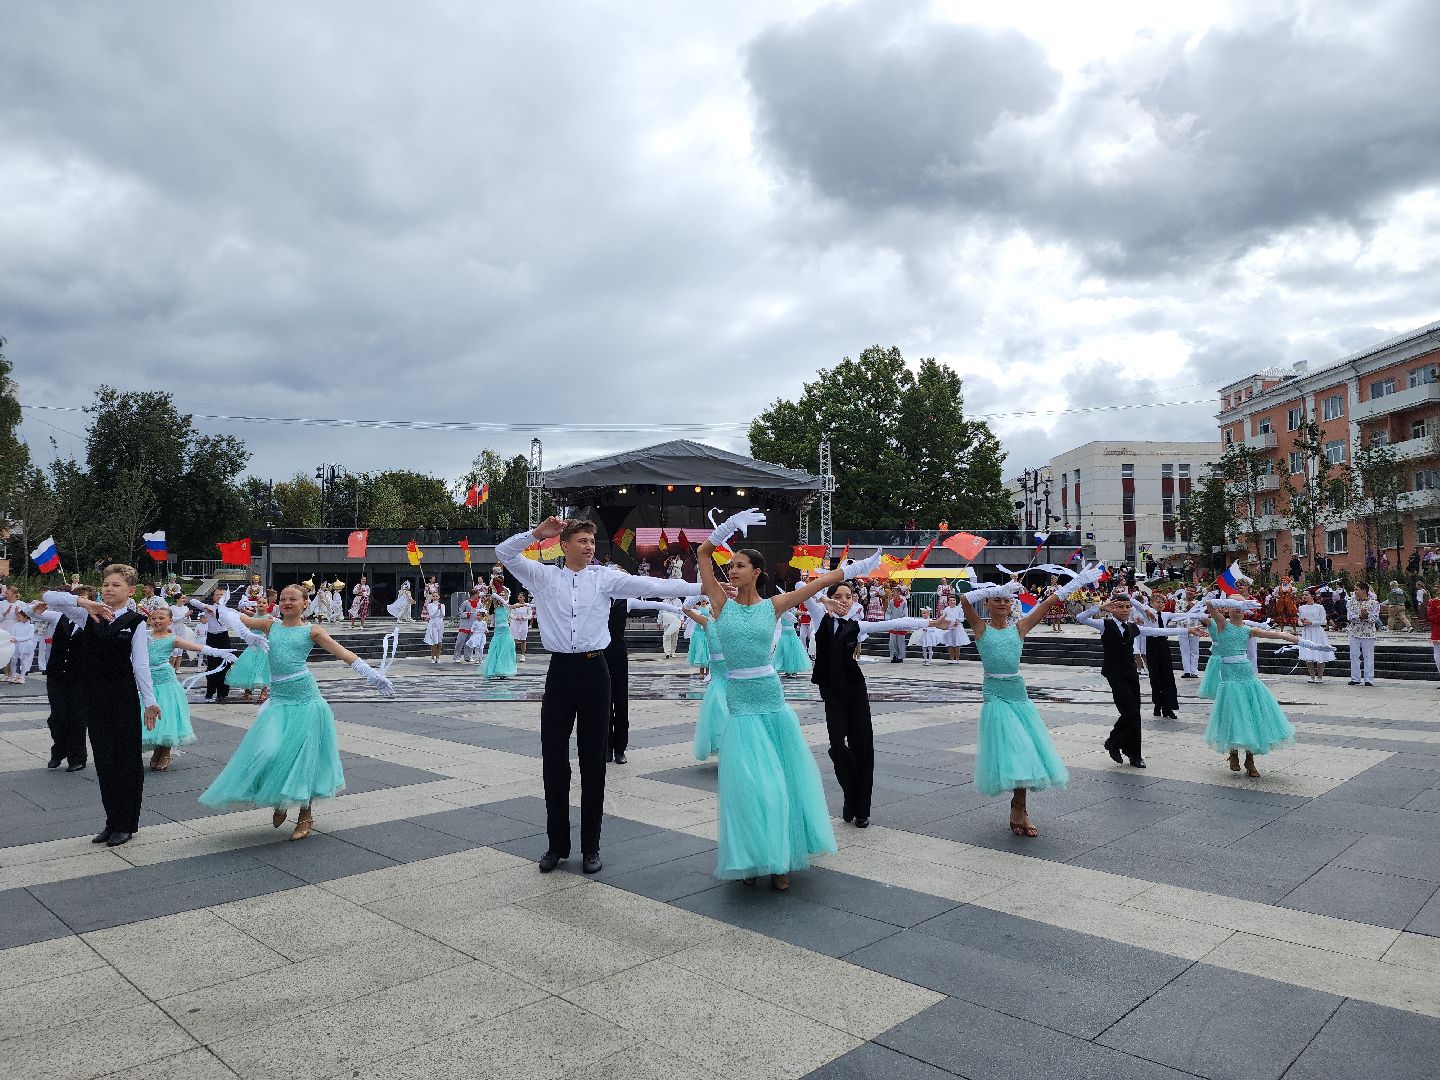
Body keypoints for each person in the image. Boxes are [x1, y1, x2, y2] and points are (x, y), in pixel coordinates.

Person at [495, 517, 697, 875]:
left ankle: (591, 846)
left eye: (592, 541)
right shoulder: (544, 577)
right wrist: (536, 535)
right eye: (583, 540)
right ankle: (556, 845)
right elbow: (504, 553)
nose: (590, 547)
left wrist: (704, 588)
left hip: (595, 671)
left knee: (593, 762)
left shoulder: (604, 577)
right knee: (554, 760)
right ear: (565, 543)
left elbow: (651, 585)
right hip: (560, 672)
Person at [695, 512, 857, 887]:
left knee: (780, 782)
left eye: (740, 565)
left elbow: (816, 585)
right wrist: (726, 528)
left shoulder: (774, 605)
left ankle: (780, 857)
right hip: (740, 706)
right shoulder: (720, 603)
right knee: (748, 786)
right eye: (731, 565)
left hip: (770, 701)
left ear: (757, 572)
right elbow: (704, 554)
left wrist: (849, 570)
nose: (732, 570)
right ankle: (753, 856)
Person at [198, 585, 394, 839]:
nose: (287, 602)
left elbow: (343, 653)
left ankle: (305, 814)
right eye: (283, 599)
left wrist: (373, 676)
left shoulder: (312, 631)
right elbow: (240, 619)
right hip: (278, 701)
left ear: (305, 603)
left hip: (305, 700)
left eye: (293, 599)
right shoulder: (270, 625)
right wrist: (217, 608)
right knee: (268, 751)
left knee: (303, 760)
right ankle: (280, 799)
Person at [954, 565, 1103, 836]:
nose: (1001, 603)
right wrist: (994, 588)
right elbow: (964, 600)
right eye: (996, 599)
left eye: (1006, 599)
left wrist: (1076, 582)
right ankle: (1018, 809)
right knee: (1014, 749)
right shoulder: (980, 628)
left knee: (1024, 754)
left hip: (1018, 694)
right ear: (987, 603)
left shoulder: (1019, 628)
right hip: (995, 694)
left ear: (1012, 604)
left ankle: (1019, 808)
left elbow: (1047, 604)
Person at [806, 580, 947, 828]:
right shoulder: (820, 616)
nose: (843, 600)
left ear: (854, 601)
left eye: (848, 596)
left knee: (863, 748)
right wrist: (824, 600)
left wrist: (931, 623)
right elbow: (800, 586)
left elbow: (895, 623)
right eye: (838, 596)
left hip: (855, 689)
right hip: (832, 693)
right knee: (837, 747)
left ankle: (861, 810)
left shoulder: (858, 625)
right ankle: (851, 795)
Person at [42, 566, 160, 848]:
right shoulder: (88, 615)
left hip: (122, 697)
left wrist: (150, 702)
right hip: (93, 697)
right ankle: (111, 821)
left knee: (126, 761)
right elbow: (48, 598)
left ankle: (126, 823)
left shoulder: (136, 622)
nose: (108, 589)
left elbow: (141, 665)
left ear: (130, 590)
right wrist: (83, 601)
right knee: (105, 760)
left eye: (116, 585)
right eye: (106, 584)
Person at [1075, 593, 1191, 766]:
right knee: (1129, 712)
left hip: (1131, 673)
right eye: (1120, 606)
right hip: (1115, 674)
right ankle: (1113, 742)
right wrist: (1100, 607)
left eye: (1127, 606)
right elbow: (1080, 618)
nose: (1124, 610)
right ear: (1113, 608)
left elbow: (1158, 631)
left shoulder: (1133, 627)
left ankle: (1134, 754)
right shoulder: (1104, 624)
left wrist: (1187, 630)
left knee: (1134, 713)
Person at [1201, 598, 1302, 777]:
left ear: (1246, 611)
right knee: (1233, 714)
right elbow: (1210, 606)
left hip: (1247, 676)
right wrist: (1220, 602)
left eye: (1241, 607)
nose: (1238, 610)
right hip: (1230, 678)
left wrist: (1292, 638)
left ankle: (1250, 759)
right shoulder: (1222, 624)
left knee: (1250, 714)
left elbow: (1274, 635)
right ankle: (1233, 753)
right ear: (1229, 609)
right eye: (1234, 606)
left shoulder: (1248, 630)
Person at [141, 606, 234, 771]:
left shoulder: (172, 638)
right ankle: (157, 749)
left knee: (167, 716)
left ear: (170, 620)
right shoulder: (145, 636)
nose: (157, 621)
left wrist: (218, 652)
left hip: (166, 682)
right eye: (154, 618)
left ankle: (166, 752)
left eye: (161, 618)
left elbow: (196, 647)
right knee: (149, 716)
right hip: (148, 683)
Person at [33, 587, 92, 771]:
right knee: (56, 717)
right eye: (77, 598)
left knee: (76, 716)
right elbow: (31, 610)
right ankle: (59, 750)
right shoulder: (59, 617)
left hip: (79, 676)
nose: (79, 601)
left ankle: (78, 758)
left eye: (84, 598)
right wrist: (39, 607)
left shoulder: (90, 619)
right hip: (57, 673)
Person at [1297, 589, 1335, 683]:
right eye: (1303, 595)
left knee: (1320, 654)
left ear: (1312, 596)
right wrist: (1303, 623)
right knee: (1308, 654)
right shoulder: (1301, 608)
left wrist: (1311, 622)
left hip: (1317, 632)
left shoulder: (1319, 607)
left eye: (1306, 595)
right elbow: (1298, 621)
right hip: (1307, 632)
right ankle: (1312, 676)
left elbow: (1323, 621)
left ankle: (1320, 677)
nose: (1304, 596)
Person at [1347, 584, 1381, 685]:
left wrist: (1366, 616)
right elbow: (1349, 616)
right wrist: (1359, 616)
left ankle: (1369, 679)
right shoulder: (1350, 603)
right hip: (1354, 632)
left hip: (1368, 633)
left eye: (1357, 589)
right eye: (1355, 589)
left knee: (1368, 656)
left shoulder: (1374, 603)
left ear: (1364, 590)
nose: (1355, 591)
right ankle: (1355, 678)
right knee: (1354, 655)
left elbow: (1375, 618)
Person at [482, 590, 517, 678]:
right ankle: (494, 669)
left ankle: (503, 670)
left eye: (504, 596)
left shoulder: (507, 607)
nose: (502, 597)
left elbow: (516, 605)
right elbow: (493, 597)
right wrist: (497, 596)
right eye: (501, 596)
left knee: (504, 650)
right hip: (498, 631)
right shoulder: (496, 607)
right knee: (496, 650)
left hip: (505, 630)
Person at [455, 586, 484, 662]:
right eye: (477, 594)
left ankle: (468, 657)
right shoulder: (465, 603)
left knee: (470, 643)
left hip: (474, 626)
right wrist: (467, 614)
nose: (478, 595)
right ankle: (456, 657)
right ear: (473, 594)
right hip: (464, 625)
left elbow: (482, 613)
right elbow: (459, 613)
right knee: (460, 642)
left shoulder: (480, 604)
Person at [422, 594, 447, 665]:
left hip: (440, 623)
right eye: (433, 596)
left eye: (436, 596)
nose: (435, 597)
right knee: (434, 642)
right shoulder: (430, 605)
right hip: (433, 624)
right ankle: (432, 657)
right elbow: (432, 615)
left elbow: (443, 615)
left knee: (439, 642)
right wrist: (437, 609)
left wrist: (440, 609)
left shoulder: (442, 605)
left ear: (439, 597)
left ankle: (438, 657)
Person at [510, 592, 532, 662]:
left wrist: (524, 618)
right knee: (514, 640)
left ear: (524, 598)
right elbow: (511, 614)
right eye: (519, 597)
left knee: (523, 640)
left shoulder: (527, 606)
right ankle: (512, 655)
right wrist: (516, 618)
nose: (519, 598)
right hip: (515, 624)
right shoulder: (515, 605)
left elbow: (530, 615)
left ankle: (523, 655)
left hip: (523, 624)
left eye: (521, 597)